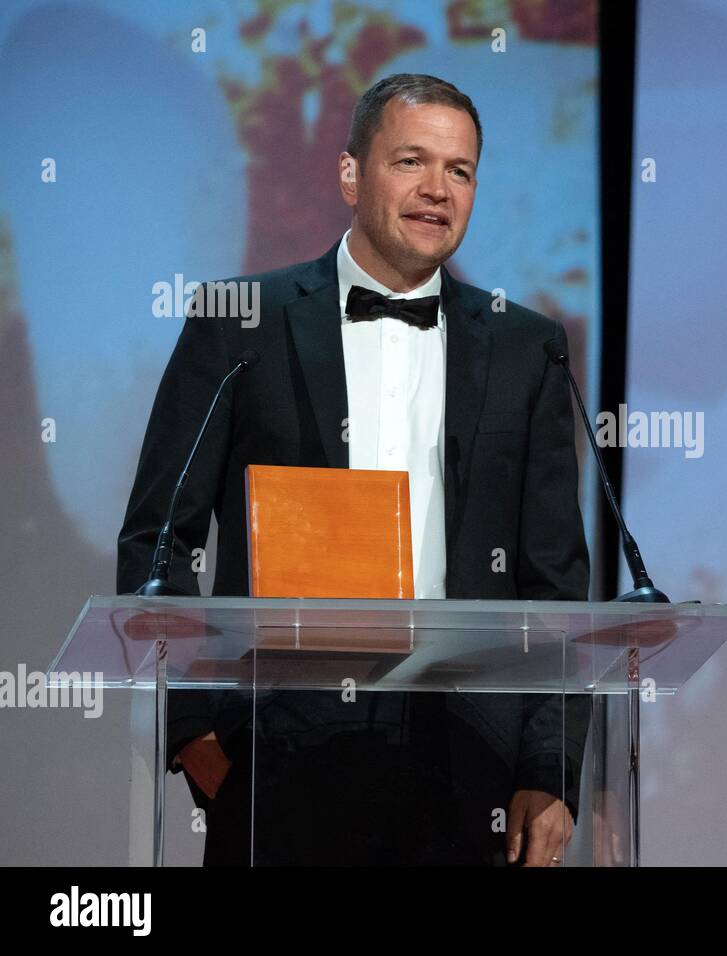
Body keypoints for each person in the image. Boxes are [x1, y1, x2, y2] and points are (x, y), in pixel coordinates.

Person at [117, 74, 590, 866]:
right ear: (349, 174)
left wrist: (550, 764)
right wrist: (195, 733)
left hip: (470, 753)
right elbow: (158, 539)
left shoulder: (526, 348)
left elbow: (554, 583)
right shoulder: (241, 324)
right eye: (411, 161)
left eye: (461, 170)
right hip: (279, 750)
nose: (437, 190)